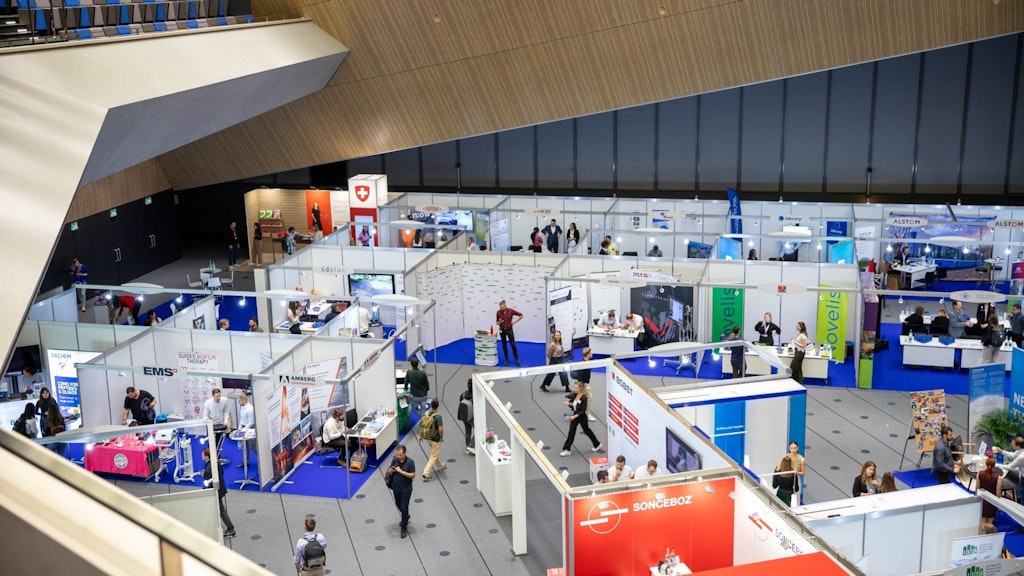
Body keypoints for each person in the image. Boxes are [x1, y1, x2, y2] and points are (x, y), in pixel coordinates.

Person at [559, 381, 603, 456]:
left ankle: (597, 444)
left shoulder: (584, 398)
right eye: (574, 387)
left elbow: (583, 411)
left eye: (576, 388)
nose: (574, 389)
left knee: (587, 430)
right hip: (575, 414)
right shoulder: (575, 395)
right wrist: (569, 404)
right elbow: (574, 405)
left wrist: (574, 416)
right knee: (571, 432)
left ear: (580, 388)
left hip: (582, 417)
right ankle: (567, 449)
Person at [201, 447, 236, 538]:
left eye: (203, 455)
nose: (201, 456)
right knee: (220, 510)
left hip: (215, 491)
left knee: (222, 511)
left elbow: (208, 481)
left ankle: (231, 529)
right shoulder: (215, 463)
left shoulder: (209, 468)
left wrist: (205, 476)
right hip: (220, 488)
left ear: (207, 456)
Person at [387, 444, 416, 538]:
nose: (398, 457)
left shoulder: (410, 462)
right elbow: (389, 472)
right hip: (396, 487)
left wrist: (401, 472)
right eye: (397, 454)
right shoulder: (395, 459)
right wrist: (392, 470)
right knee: (398, 503)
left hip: (406, 489)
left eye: (400, 455)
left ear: (404, 453)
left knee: (404, 508)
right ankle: (406, 516)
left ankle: (404, 527)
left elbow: (413, 475)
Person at [418, 399, 446, 481]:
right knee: (433, 456)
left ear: (430, 405)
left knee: (434, 452)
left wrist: (421, 436)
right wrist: (441, 438)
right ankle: (426, 473)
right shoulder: (438, 417)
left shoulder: (427, 414)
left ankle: (440, 466)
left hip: (428, 438)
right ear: (438, 406)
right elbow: (440, 429)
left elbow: (422, 426)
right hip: (435, 439)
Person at [202, 388, 231, 453]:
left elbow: (226, 411)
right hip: (211, 424)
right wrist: (208, 422)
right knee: (211, 442)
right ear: (213, 396)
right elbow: (205, 416)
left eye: (219, 396)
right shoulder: (208, 403)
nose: (218, 398)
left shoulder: (224, 401)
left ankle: (217, 454)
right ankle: (210, 456)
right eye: (217, 396)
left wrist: (226, 421)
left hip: (221, 423)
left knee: (219, 440)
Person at [496, 300, 524, 366]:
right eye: (500, 308)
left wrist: (514, 322)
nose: (501, 309)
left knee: (513, 344)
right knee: (504, 345)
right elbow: (497, 323)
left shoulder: (511, 311)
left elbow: (521, 315)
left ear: (505, 305)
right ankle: (506, 358)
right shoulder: (498, 312)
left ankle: (516, 359)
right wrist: (499, 322)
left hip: (509, 330)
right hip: (502, 330)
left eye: (502, 307)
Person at [978, 456, 1002, 529]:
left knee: (982, 524)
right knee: (990, 524)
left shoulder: (979, 474)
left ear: (986, 464)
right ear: (994, 465)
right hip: (992, 503)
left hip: (983, 502)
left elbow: (977, 490)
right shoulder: (998, 477)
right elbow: (998, 494)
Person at [236, 392, 258, 464]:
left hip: (250, 429)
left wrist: (243, 430)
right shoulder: (242, 407)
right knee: (245, 447)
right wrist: (239, 429)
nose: (238, 402)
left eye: (239, 401)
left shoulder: (250, 409)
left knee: (253, 447)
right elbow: (242, 419)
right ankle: (245, 462)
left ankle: (262, 464)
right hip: (244, 427)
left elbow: (251, 422)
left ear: (243, 400)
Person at [457, 378, 475, 454]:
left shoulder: (463, 394)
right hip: (472, 417)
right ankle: (471, 446)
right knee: (478, 430)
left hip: (464, 416)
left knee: (468, 431)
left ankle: (467, 447)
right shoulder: (475, 395)